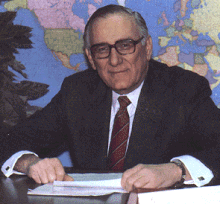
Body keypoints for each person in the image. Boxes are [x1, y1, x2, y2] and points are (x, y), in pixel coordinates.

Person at [1, 4, 220, 192]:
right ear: (91, 57)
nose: (114, 61)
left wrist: (176, 170)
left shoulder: (184, 89)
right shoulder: (77, 91)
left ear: (147, 47)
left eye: (125, 46)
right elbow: (11, 141)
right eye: (102, 49)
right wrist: (30, 163)